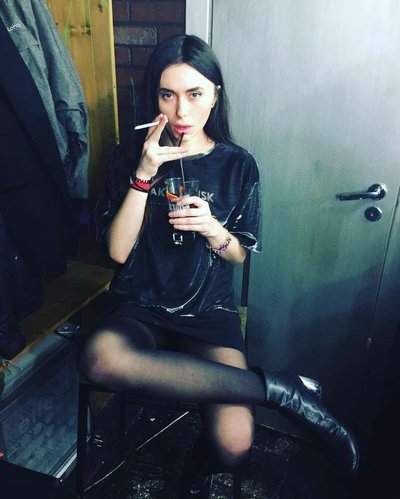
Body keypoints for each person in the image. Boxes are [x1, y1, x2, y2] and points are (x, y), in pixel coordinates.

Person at [79, 34, 359, 497]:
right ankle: (281, 391)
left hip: (209, 312)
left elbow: (239, 254)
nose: (181, 112)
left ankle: (197, 467)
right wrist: (143, 175)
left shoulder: (238, 164)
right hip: (141, 306)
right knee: (99, 358)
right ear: (154, 98)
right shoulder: (131, 155)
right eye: (167, 95)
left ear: (215, 95)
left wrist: (213, 229)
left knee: (234, 442)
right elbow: (117, 253)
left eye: (195, 94)